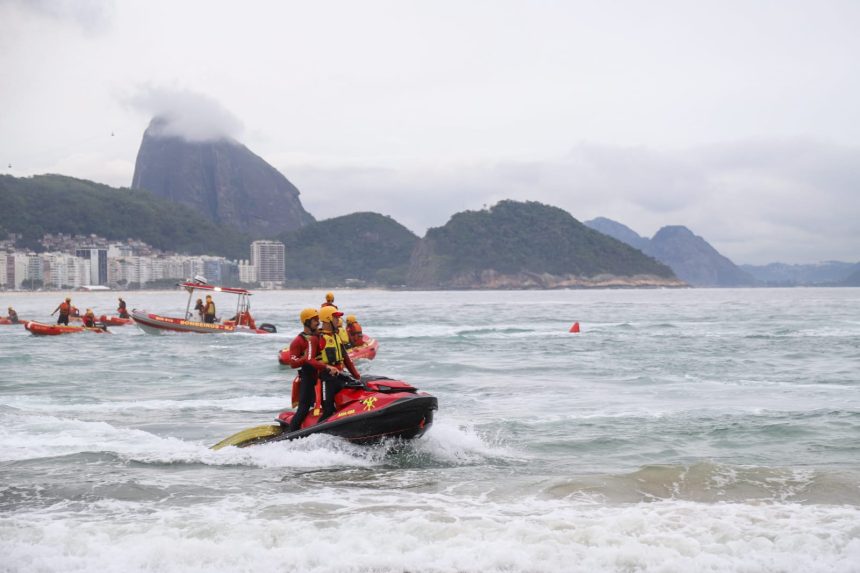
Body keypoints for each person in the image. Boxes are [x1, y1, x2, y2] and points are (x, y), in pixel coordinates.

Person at [286, 308, 332, 432]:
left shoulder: (320, 336)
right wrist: (306, 358)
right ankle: (290, 435)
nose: (318, 322)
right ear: (306, 322)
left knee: (328, 405)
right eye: (315, 320)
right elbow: (293, 363)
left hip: (323, 375)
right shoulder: (298, 341)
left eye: (318, 319)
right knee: (303, 408)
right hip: (308, 376)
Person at [317, 305, 360, 421]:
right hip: (327, 379)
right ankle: (314, 435)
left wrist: (356, 375)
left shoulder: (336, 336)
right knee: (328, 410)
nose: (338, 320)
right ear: (327, 319)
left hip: (340, 376)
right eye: (335, 318)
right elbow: (311, 361)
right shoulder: (319, 338)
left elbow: (346, 358)